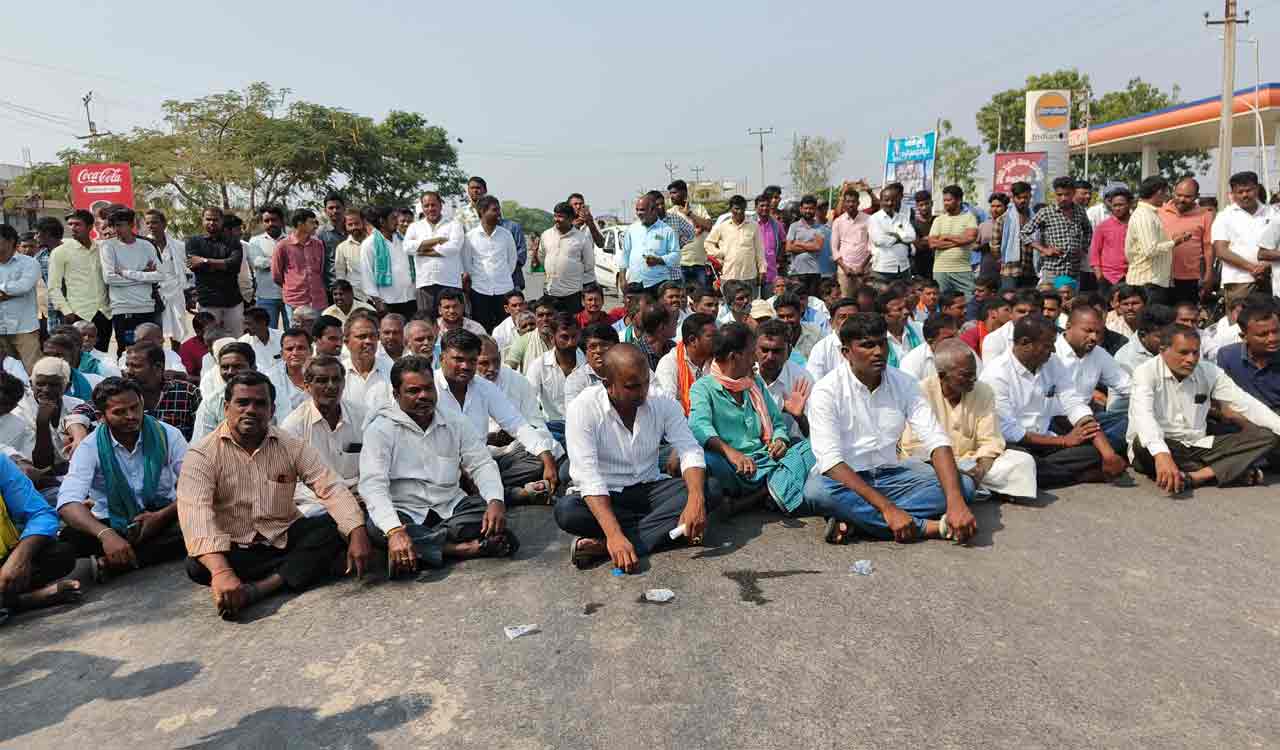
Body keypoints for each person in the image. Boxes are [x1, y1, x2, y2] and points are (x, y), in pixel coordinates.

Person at [177, 371, 371, 619]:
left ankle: (261, 589)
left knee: (335, 528)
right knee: (196, 564)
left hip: (282, 538)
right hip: (234, 547)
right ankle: (291, 572)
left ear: (272, 410)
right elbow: (196, 514)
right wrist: (221, 572)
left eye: (260, 403)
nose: (251, 410)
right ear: (226, 408)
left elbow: (330, 487)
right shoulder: (201, 455)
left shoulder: (291, 445)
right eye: (242, 402)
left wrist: (357, 532)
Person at [801, 313, 977, 544]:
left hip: (892, 476)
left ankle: (858, 520)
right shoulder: (826, 391)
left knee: (964, 487)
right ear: (846, 352)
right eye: (868, 345)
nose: (878, 352)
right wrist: (888, 509)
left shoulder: (904, 383)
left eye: (882, 343)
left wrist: (955, 504)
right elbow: (831, 463)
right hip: (845, 481)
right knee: (817, 492)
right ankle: (927, 527)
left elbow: (936, 440)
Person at [556, 344, 714, 571]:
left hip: (650, 489)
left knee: (709, 489)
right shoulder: (583, 408)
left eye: (646, 382)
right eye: (632, 386)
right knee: (567, 511)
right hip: (607, 495)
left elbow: (689, 450)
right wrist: (614, 534)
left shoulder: (661, 401)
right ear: (608, 385)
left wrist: (695, 501)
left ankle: (606, 547)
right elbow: (588, 476)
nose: (642, 391)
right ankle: (662, 531)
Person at [360, 355, 517, 575]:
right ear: (396, 395)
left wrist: (495, 501)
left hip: (451, 507)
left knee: (489, 513)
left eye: (428, 388)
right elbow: (373, 486)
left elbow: (481, 463)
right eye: (413, 391)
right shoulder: (380, 430)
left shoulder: (454, 421)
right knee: (377, 528)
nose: (423, 396)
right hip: (406, 511)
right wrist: (394, 530)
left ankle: (419, 549)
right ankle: (459, 549)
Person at [56, 377, 188, 581]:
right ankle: (129, 552)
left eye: (135, 407)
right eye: (120, 412)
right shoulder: (89, 447)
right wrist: (106, 535)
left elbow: (197, 484)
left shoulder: (168, 434)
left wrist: (161, 516)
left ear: (142, 403)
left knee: (198, 520)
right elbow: (67, 503)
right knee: (66, 543)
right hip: (112, 522)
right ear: (101, 417)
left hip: (163, 515)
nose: (131, 416)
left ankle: (116, 562)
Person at [980, 314, 1126, 488]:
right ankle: (1077, 476)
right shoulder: (996, 374)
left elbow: (1073, 403)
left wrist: (1108, 454)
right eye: (1048, 345)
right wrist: (1064, 441)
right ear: (1025, 343)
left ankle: (1048, 475)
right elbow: (1009, 432)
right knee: (1024, 463)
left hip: (1047, 440)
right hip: (1014, 446)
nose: (1054, 351)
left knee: (1098, 451)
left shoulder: (1051, 362)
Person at [1129, 324, 1280, 492]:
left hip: (1200, 445)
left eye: (1195, 352)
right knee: (1142, 443)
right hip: (1162, 446)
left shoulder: (1210, 371)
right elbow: (1144, 416)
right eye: (1184, 352)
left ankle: (1198, 476)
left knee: (1268, 435)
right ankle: (1228, 469)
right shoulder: (1145, 373)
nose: (1191, 359)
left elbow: (1247, 404)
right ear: (1163, 350)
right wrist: (1162, 454)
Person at [690, 322, 813, 513]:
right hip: (732, 466)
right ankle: (772, 490)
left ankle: (754, 498)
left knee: (810, 447)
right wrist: (731, 453)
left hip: (766, 459)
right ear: (734, 357)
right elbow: (699, 427)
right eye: (750, 353)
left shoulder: (754, 384)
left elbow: (777, 423)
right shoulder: (703, 388)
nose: (755, 359)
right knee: (705, 459)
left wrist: (779, 440)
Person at [436, 330, 562, 505]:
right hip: (443, 469)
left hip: (481, 465)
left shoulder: (484, 387)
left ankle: (487, 492)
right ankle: (511, 494)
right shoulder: (429, 389)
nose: (466, 366)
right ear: (442, 358)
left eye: (472, 360)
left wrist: (547, 458)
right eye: (458, 360)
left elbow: (517, 424)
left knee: (538, 457)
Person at [901, 339, 1037, 501]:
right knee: (919, 471)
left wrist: (980, 470)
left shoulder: (983, 391)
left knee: (1023, 461)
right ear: (942, 375)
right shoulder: (920, 392)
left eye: (974, 373)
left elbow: (991, 440)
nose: (973, 378)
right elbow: (914, 447)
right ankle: (975, 488)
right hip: (934, 465)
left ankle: (971, 486)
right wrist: (951, 469)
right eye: (966, 375)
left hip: (972, 461)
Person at [280, 355, 363, 519]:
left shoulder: (363, 416)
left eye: (336, 380)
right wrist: (337, 499)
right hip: (318, 504)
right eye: (322, 381)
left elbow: (374, 467)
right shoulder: (293, 426)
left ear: (344, 383)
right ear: (307, 386)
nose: (331, 386)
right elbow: (291, 483)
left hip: (360, 498)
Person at [0, 453, 81, 619]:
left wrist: (18, 559)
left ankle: (7, 601)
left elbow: (41, 513)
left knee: (60, 554)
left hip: (4, 565)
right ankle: (26, 600)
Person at [1055, 306, 1131, 447]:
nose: (1094, 337)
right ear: (1068, 326)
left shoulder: (1099, 354)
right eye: (1088, 331)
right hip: (1054, 422)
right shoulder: (1051, 352)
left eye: (1098, 332)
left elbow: (1126, 385)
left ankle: (1094, 447)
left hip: (1088, 421)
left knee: (1133, 421)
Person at [49, 209, 112, 352]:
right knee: (77, 356)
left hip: (104, 313)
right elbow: (53, 287)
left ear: (90, 227)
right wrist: (66, 311)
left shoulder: (102, 248)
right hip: (78, 313)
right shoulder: (60, 251)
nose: (73, 228)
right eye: (70, 224)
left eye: (77, 224)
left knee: (101, 356)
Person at [1213, 172, 1277, 306]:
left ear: (1257, 189)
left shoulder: (1273, 213)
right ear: (1232, 193)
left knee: (1271, 317)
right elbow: (1221, 251)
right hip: (1238, 281)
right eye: (1240, 192)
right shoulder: (1224, 216)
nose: (1244, 195)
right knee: (1239, 318)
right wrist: (1252, 268)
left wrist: (1266, 266)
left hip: (1271, 279)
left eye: (1249, 190)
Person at [185, 207, 246, 337]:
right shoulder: (194, 242)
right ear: (202, 220)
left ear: (222, 221)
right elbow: (193, 266)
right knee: (208, 339)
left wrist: (204, 261)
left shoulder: (233, 242)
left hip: (232, 301)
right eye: (208, 219)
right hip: (207, 301)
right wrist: (222, 264)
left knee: (237, 340)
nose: (212, 222)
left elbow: (234, 265)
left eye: (215, 220)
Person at [1022, 176, 1093, 284]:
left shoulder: (1080, 211)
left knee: (1070, 295)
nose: (1063, 198)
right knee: (1050, 294)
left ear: (1073, 193)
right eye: (1059, 195)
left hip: (1073, 270)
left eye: (1067, 194)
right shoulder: (1046, 212)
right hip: (1053, 269)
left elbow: (1088, 231)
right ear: (1055, 194)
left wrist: (1083, 249)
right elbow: (1024, 234)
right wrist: (1043, 249)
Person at [526, 312, 585, 443]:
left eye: (574, 337)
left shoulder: (587, 364)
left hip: (584, 427)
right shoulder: (538, 365)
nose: (570, 343)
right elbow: (527, 401)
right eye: (564, 337)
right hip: (553, 429)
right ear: (552, 338)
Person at [1216, 294, 1280, 412]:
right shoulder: (1227, 356)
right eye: (1263, 334)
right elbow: (1223, 400)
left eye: (1276, 331)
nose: (1273, 338)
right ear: (1244, 336)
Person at [464, 195, 517, 331]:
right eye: (495, 210)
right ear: (482, 211)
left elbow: (512, 261)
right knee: (482, 329)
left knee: (507, 329)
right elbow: (467, 264)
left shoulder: (506, 235)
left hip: (504, 289)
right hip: (480, 290)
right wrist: (479, 278)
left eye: (498, 209)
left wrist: (501, 275)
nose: (499, 213)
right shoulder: (470, 237)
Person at [755, 319, 813, 438]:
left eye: (777, 351)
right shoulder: (744, 375)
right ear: (755, 350)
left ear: (789, 351)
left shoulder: (802, 379)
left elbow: (813, 434)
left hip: (791, 444)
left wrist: (799, 417)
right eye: (764, 350)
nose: (770, 357)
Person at [1160, 178, 1214, 305]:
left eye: (1188, 196)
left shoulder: (1205, 215)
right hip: (1162, 275)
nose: (1182, 199)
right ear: (1173, 192)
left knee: (1186, 313)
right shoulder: (1160, 212)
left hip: (1190, 277)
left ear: (1197, 196)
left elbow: (1208, 247)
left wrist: (1209, 273)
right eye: (1178, 195)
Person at [1124, 176, 1176, 306]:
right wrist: (1174, 242)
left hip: (1153, 282)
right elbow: (1150, 250)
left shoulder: (1150, 213)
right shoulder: (1144, 215)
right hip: (1146, 283)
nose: (1167, 196)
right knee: (1149, 318)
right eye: (1166, 192)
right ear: (1159, 192)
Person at [192, 342, 258, 441]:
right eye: (225, 367)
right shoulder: (210, 404)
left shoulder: (269, 396)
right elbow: (202, 444)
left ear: (253, 368)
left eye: (237, 366)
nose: (230, 372)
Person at [360, 206, 416, 318]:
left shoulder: (403, 240)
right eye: (393, 218)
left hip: (410, 298)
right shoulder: (369, 244)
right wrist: (377, 301)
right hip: (387, 302)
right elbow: (367, 275)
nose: (397, 221)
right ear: (382, 221)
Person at [271, 208, 328, 318]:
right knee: (297, 329)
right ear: (300, 224)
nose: (315, 226)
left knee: (319, 329)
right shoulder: (283, 246)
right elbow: (276, 276)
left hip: (318, 301)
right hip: (296, 301)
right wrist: (294, 286)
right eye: (311, 222)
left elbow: (320, 271)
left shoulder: (318, 244)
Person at [0, 223, 42, 373]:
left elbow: (24, 286)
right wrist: (10, 291)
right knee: (5, 374)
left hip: (24, 327)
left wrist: (3, 290)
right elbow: (17, 289)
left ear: (10, 241)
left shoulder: (29, 263)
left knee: (34, 371)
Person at [655, 312, 715, 414]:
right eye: (711, 336)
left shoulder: (717, 360)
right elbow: (668, 407)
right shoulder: (669, 364)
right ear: (692, 340)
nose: (717, 340)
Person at [618, 193, 680, 294]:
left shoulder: (667, 230)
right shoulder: (632, 229)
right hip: (635, 283)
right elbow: (625, 255)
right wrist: (622, 279)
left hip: (658, 283)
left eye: (642, 210)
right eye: (637, 210)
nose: (639, 213)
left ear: (653, 210)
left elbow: (676, 256)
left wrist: (659, 260)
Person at [540, 202, 594, 315]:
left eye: (560, 216)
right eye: (555, 215)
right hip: (550, 292)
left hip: (572, 294)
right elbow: (542, 257)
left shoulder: (582, 238)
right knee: (550, 323)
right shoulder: (546, 235)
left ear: (571, 218)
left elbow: (589, 264)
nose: (556, 219)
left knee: (572, 324)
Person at [704, 195, 765, 294]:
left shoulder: (754, 226)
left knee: (750, 303)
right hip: (729, 276)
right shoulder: (722, 226)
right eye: (736, 208)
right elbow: (708, 243)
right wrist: (720, 253)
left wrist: (762, 270)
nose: (739, 211)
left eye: (742, 208)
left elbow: (760, 250)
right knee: (730, 303)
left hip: (749, 276)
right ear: (731, 209)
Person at [927, 185, 979, 296]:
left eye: (949, 200)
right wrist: (959, 241)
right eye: (944, 200)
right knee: (941, 301)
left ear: (959, 200)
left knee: (970, 300)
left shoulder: (969, 217)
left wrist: (947, 236)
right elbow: (932, 244)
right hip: (940, 270)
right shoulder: (938, 220)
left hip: (962, 269)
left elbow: (970, 238)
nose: (945, 203)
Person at [340, 311, 391, 411]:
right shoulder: (339, 373)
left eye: (372, 336)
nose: (368, 341)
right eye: (362, 336)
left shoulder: (391, 369)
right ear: (346, 342)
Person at [1087, 187, 1132, 300]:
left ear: (1129, 204)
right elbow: (1094, 254)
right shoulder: (1103, 227)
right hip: (1108, 278)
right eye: (1114, 205)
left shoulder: (1136, 224)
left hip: (1132, 276)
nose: (1117, 208)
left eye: (1121, 205)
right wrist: (1100, 277)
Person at [867, 183, 916, 284]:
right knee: (881, 294)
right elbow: (879, 241)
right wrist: (901, 238)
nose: (890, 203)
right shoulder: (874, 219)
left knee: (905, 294)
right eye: (886, 200)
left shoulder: (902, 218)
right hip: (882, 269)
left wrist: (894, 236)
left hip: (903, 268)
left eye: (892, 200)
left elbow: (912, 236)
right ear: (881, 201)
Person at [248, 205, 288, 328]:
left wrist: (269, 261)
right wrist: (282, 261)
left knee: (292, 331)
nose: (271, 223)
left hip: (289, 295)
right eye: (267, 221)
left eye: (274, 220)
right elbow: (258, 262)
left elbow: (296, 263)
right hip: (266, 296)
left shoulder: (290, 240)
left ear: (281, 221)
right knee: (267, 332)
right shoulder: (255, 241)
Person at [668, 180, 713, 287]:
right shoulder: (670, 214)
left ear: (684, 193)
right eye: (670, 193)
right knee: (681, 295)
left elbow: (708, 226)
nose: (671, 196)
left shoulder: (699, 208)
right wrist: (695, 229)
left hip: (700, 263)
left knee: (702, 294)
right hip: (679, 264)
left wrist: (689, 214)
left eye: (674, 193)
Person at [994, 182, 1037, 290]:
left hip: (1031, 269)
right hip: (1010, 270)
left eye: (1025, 197)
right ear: (1013, 198)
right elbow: (995, 245)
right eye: (1019, 197)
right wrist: (1003, 261)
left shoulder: (1036, 218)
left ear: (1030, 197)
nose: (1022, 200)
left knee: (1029, 299)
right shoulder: (1003, 219)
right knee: (1008, 298)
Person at [831, 185, 872, 296]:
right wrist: (844, 267)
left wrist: (862, 266)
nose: (850, 204)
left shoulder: (868, 219)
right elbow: (834, 249)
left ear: (858, 203)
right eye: (848, 201)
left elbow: (872, 246)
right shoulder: (838, 221)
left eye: (853, 201)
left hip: (863, 270)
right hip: (844, 271)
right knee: (845, 301)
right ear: (844, 203)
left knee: (864, 301)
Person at [898, 314, 966, 382]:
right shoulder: (911, 363)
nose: (956, 341)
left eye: (957, 335)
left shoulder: (964, 352)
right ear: (930, 342)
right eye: (949, 338)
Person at [565, 323, 619, 407]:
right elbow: (574, 411)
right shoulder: (575, 380)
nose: (599, 351)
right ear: (585, 352)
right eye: (592, 347)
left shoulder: (627, 372)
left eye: (604, 345)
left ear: (616, 347)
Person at [267, 327, 313, 416]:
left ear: (311, 351)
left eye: (301, 348)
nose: (295, 353)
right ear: (282, 354)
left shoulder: (322, 373)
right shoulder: (271, 378)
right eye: (289, 349)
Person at [784, 195, 824, 295]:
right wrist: (811, 246)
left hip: (814, 272)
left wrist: (798, 243)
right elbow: (788, 247)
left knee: (813, 300)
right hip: (797, 272)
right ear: (801, 209)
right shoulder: (794, 226)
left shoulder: (819, 227)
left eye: (811, 208)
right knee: (797, 300)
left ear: (815, 209)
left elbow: (818, 247)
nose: (808, 211)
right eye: (806, 208)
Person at [316, 192, 348, 305]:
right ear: (325, 211)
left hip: (356, 287)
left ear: (344, 208)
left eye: (338, 207)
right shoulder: (320, 234)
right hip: (332, 289)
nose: (335, 211)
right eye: (331, 208)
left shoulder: (353, 229)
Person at [772, 293, 823, 362]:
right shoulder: (770, 336)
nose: (785, 321)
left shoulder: (816, 334)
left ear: (800, 313)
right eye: (781, 317)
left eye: (790, 316)